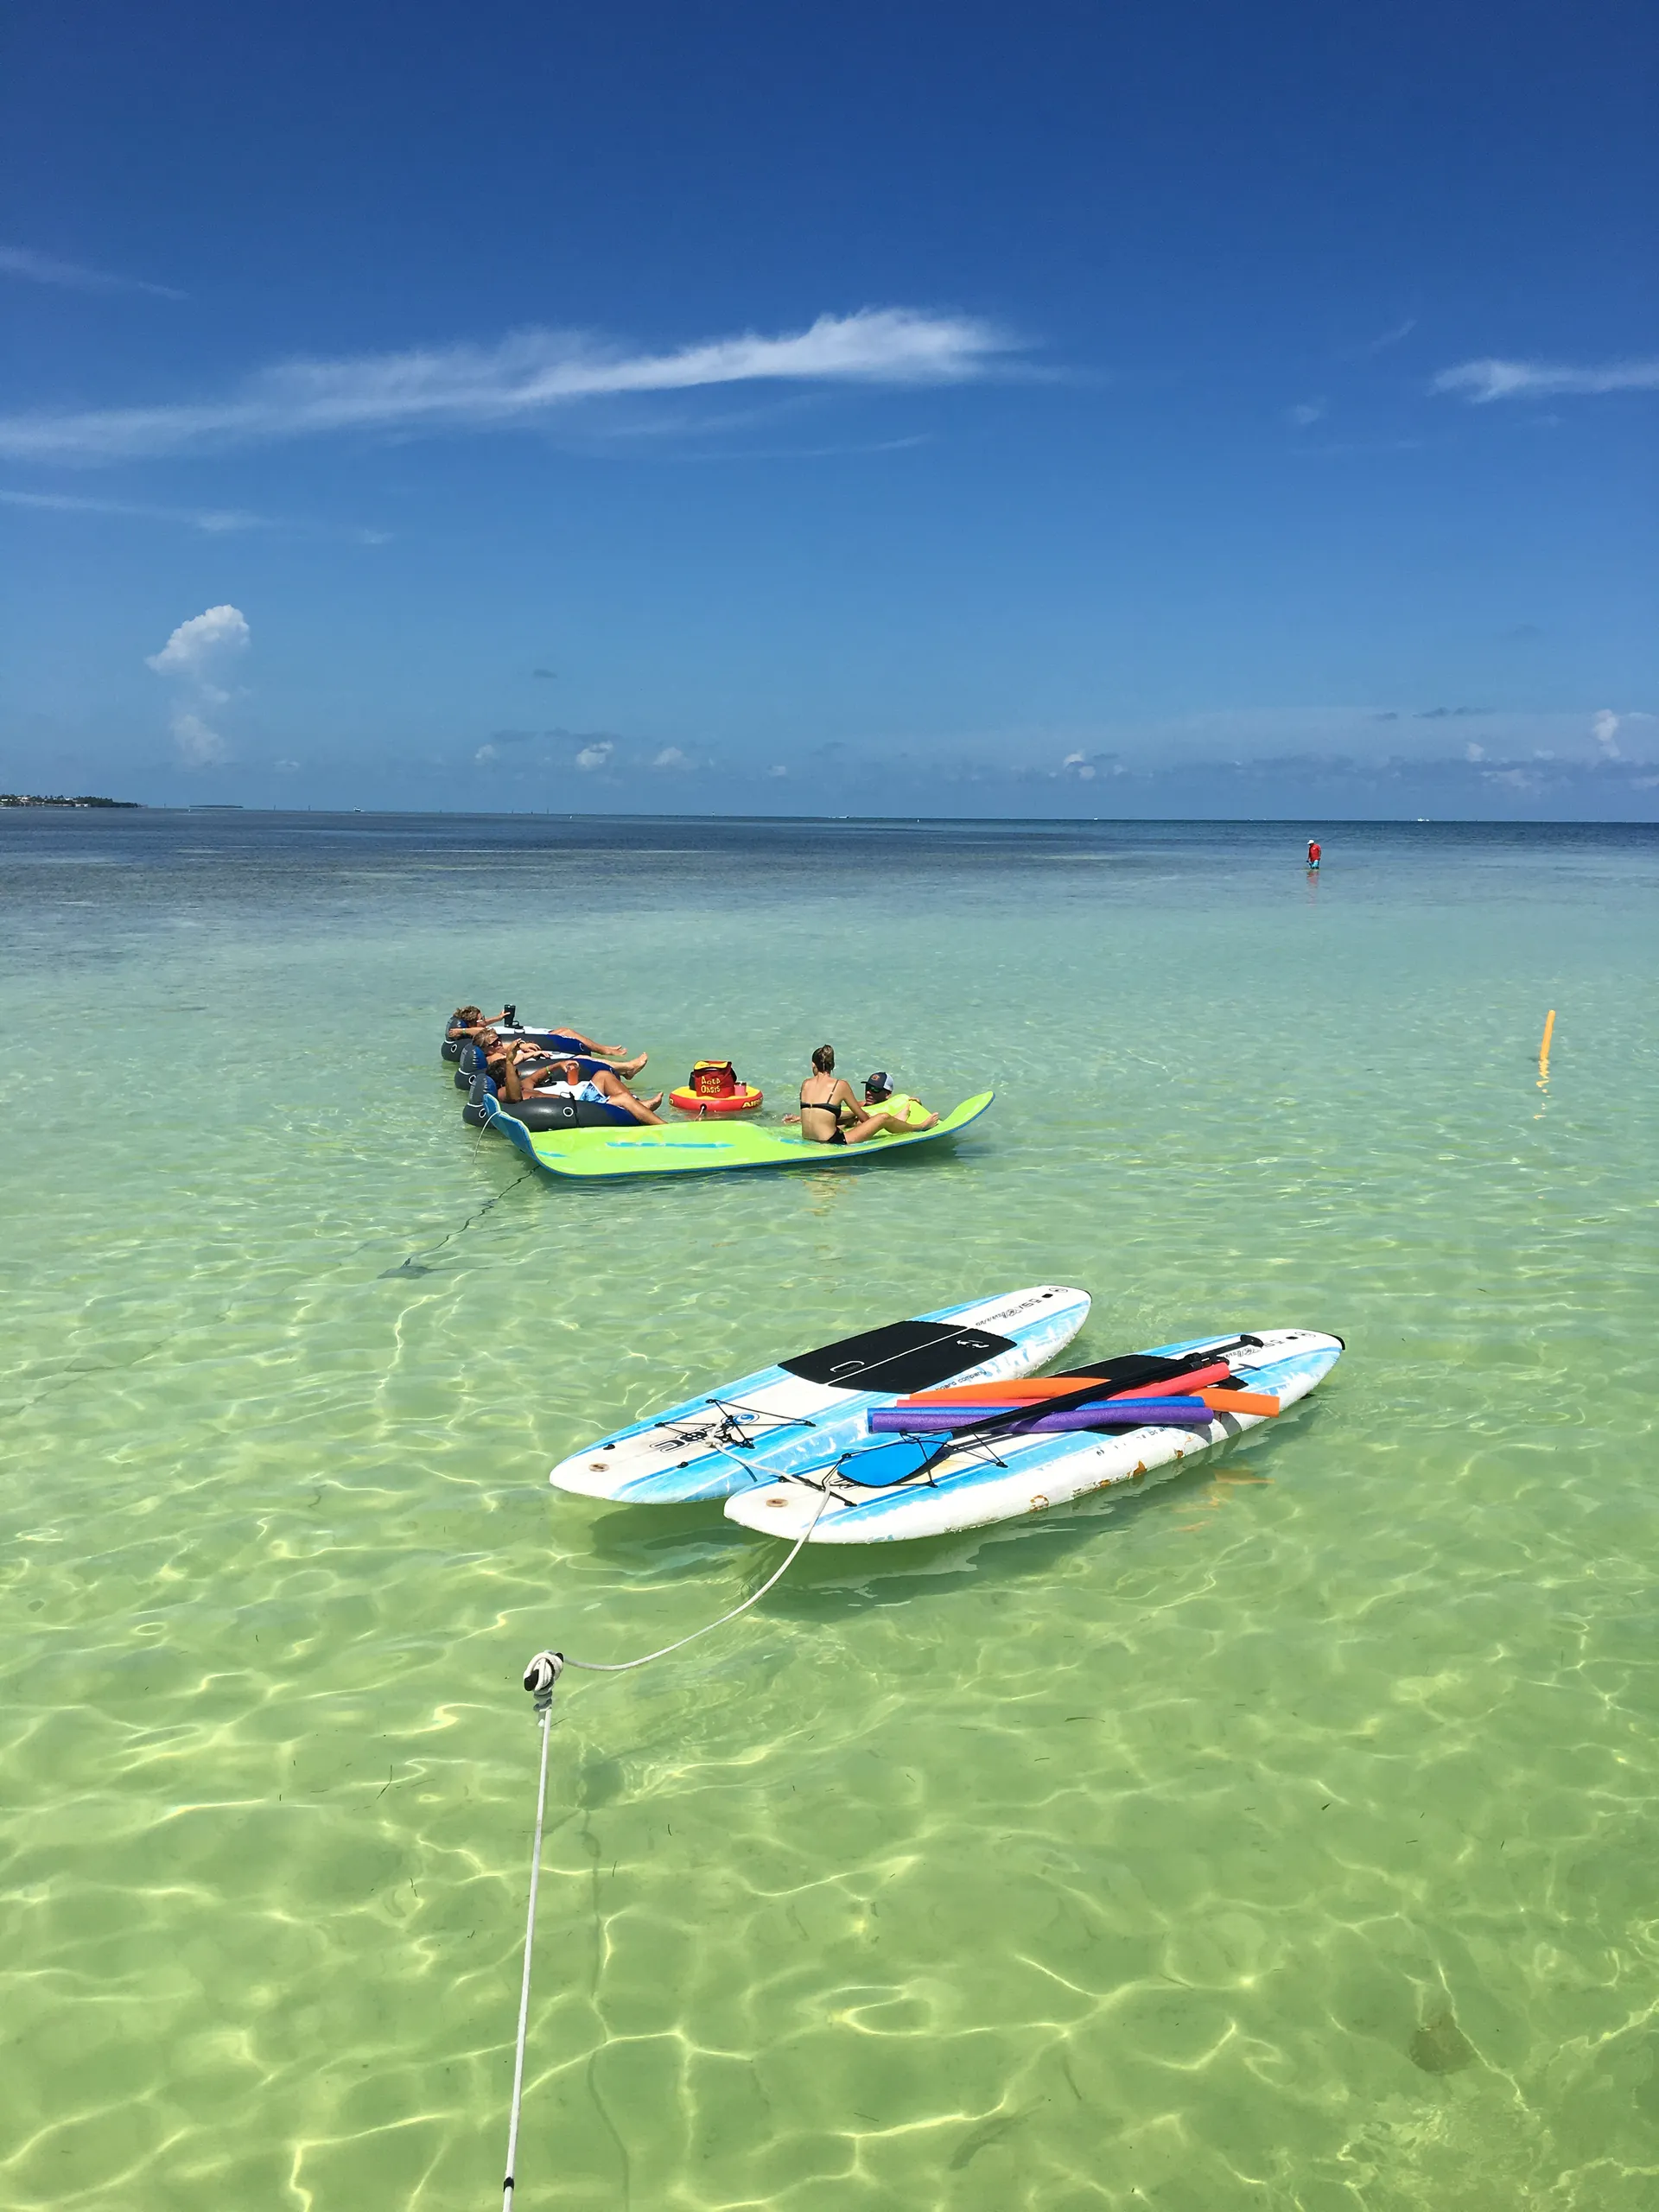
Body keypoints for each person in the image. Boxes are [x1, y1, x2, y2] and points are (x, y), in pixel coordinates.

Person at [785, 1044, 926, 1146]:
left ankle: (899, 1119)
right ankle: (919, 1127)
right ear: (832, 1066)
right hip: (832, 1141)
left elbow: (820, 1112)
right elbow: (864, 1119)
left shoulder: (805, 1084)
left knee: (847, 1119)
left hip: (809, 1139)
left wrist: (800, 1119)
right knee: (883, 1118)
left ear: (813, 1065)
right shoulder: (840, 1085)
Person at [503, 1055, 666, 1127]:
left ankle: (638, 1105)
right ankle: (666, 1128)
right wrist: (509, 1062)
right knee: (623, 1099)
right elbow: (514, 1097)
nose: (520, 1075)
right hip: (579, 1109)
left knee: (603, 1075)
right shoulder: (507, 1094)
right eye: (515, 1074)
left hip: (582, 1101)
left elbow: (535, 1078)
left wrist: (557, 1065)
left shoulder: (524, 1086)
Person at [862, 1071, 939, 1131]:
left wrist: (915, 1106)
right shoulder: (861, 1106)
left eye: (875, 1089)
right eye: (867, 1087)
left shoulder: (899, 1105)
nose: (868, 1092)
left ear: (888, 1094)